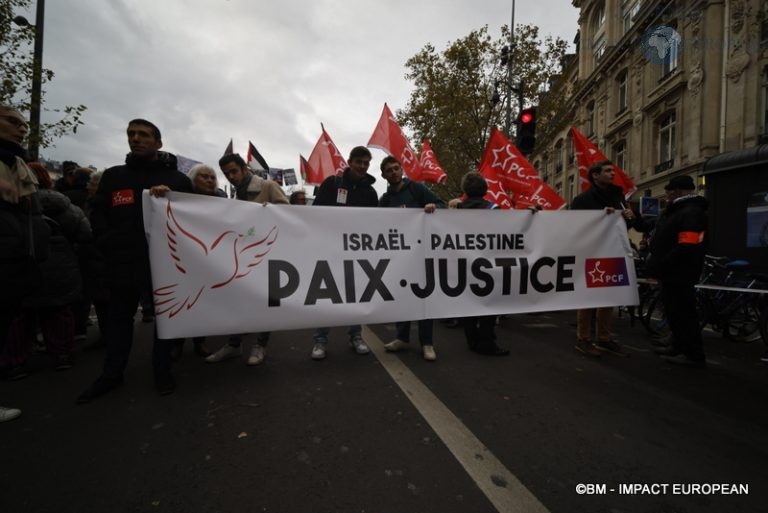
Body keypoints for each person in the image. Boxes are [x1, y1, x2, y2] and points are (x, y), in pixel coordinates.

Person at [77, 119, 193, 404]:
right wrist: (108, 241)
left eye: (144, 134)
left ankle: (161, 369)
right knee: (118, 320)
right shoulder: (114, 176)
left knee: (165, 319)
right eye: (131, 134)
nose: (136, 139)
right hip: (122, 262)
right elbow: (99, 213)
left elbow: (195, 219)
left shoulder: (178, 181)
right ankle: (111, 374)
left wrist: (172, 199)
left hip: (164, 265)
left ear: (158, 142)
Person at [3, 163, 90, 376]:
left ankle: (15, 361)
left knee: (20, 315)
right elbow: (85, 234)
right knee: (58, 312)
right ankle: (62, 354)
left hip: (23, 266)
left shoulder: (10, 205)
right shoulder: (66, 207)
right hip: (60, 268)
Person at [204, 154, 288, 366]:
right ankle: (234, 345)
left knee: (266, 302)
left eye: (233, 171)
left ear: (244, 168)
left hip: (267, 256)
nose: (231, 177)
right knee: (237, 301)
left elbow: (289, 214)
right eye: (226, 174)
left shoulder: (268, 186)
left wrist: (271, 212)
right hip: (242, 260)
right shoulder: (236, 197)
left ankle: (260, 345)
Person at [309, 146, 379, 360]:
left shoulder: (370, 192)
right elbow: (316, 214)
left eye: (366, 163)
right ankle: (320, 340)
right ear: (350, 161)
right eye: (359, 162)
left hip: (357, 252)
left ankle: (356, 336)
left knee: (356, 295)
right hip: (330, 250)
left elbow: (377, 223)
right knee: (326, 295)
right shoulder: (332, 184)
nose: (362, 166)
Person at [0, 105, 46, 421]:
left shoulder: (16, 165)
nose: (21, 128)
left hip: (14, 260)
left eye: (22, 124)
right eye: (13, 122)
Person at [377, 156, 444, 361]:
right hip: (398, 257)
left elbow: (442, 206)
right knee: (401, 298)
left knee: (424, 299)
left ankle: (427, 343)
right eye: (389, 170)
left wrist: (433, 206)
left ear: (401, 170)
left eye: (396, 168)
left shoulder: (416, 189)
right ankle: (402, 337)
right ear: (384, 175)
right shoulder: (385, 200)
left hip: (421, 253)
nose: (394, 172)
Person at [570, 160, 637, 358]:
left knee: (609, 296)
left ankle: (604, 338)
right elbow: (575, 227)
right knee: (588, 297)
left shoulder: (619, 196)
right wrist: (599, 217)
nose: (612, 174)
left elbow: (629, 226)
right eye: (607, 171)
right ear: (595, 175)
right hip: (591, 253)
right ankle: (583, 339)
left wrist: (629, 216)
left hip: (613, 252)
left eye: (612, 171)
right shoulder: (582, 200)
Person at [647, 175, 708, 367]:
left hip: (680, 273)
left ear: (678, 191)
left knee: (684, 314)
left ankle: (692, 354)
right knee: (674, 312)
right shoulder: (679, 210)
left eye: (669, 191)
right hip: (672, 273)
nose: (666, 194)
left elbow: (688, 245)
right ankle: (678, 346)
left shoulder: (691, 212)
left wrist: (664, 263)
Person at [454, 172, 510, 356]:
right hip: (488, 264)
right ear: (485, 189)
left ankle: (472, 340)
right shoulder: (493, 209)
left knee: (468, 304)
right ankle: (487, 342)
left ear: (465, 190)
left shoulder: (457, 211)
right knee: (488, 306)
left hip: (465, 265)